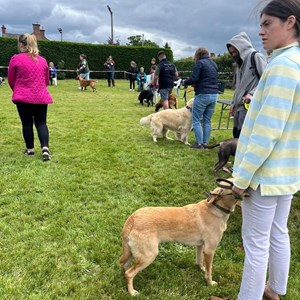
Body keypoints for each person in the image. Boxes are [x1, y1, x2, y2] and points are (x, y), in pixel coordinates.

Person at [211, 0, 300, 299]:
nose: (260, 32)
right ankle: (275, 290)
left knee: (256, 242)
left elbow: (266, 132)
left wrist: (240, 178)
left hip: (264, 173)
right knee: (277, 233)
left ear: (290, 23)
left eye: (267, 24)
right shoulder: (294, 62)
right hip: (285, 171)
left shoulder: (282, 66)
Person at [7, 33, 53, 161]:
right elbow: (46, 80)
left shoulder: (15, 59)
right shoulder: (42, 60)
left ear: (21, 44)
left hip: (23, 97)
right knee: (41, 123)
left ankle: (30, 149)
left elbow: (11, 79)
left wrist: (17, 90)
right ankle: (45, 148)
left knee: (27, 124)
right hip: (41, 97)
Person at [227, 32, 267, 138]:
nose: (233, 55)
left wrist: (251, 94)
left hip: (250, 106)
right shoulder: (240, 63)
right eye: (231, 53)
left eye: (235, 52)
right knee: (237, 135)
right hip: (239, 108)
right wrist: (233, 103)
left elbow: (267, 80)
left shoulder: (256, 57)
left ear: (242, 48)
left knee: (245, 137)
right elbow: (239, 86)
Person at [183, 48, 219, 149]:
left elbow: (194, 78)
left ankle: (199, 144)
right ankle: (205, 143)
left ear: (198, 55)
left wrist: (184, 82)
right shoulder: (214, 64)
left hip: (203, 94)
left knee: (197, 119)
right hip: (214, 94)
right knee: (207, 120)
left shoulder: (200, 63)